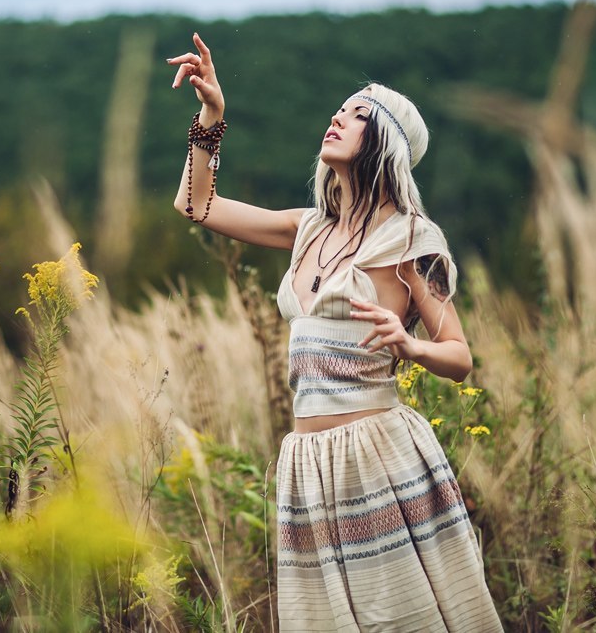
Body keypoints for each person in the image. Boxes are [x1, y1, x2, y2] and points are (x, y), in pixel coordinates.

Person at [168, 33, 502, 632]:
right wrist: (212, 117)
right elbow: (197, 206)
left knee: (402, 618)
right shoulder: (305, 228)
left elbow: (460, 356)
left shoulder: (411, 239)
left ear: (385, 144)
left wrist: (409, 345)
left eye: (356, 114)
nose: (336, 118)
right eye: (338, 110)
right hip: (307, 465)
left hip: (379, 458)